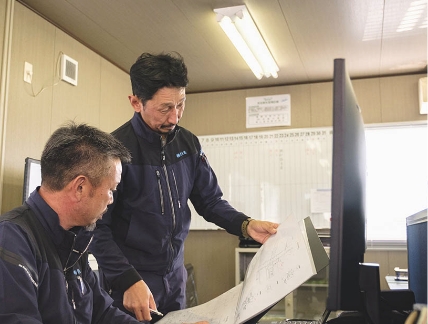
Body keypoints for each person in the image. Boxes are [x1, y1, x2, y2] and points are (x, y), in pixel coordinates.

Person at [90, 52, 279, 321]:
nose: (175, 117)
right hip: (133, 281)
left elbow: (210, 202)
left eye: (181, 104)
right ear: (136, 102)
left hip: (175, 277)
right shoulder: (114, 152)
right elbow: (98, 227)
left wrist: (245, 225)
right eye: (165, 108)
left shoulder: (188, 145)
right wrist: (125, 279)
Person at [0, 122, 142, 323]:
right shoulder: (12, 241)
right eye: (111, 190)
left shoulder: (75, 240)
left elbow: (103, 313)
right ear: (80, 187)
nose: (111, 199)